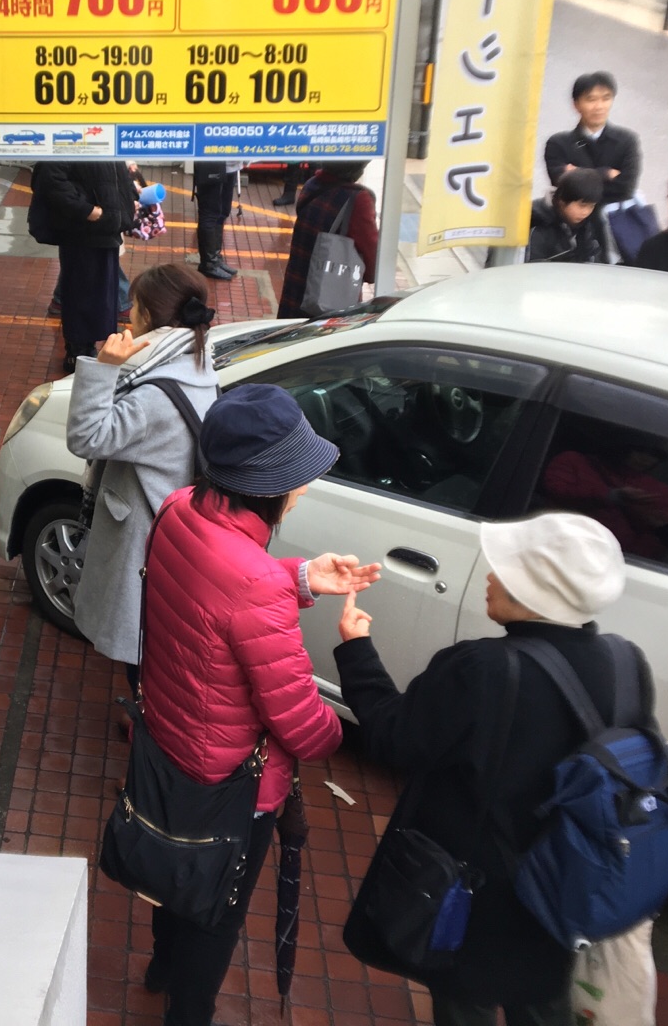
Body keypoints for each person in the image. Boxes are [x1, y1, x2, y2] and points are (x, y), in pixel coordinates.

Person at [335, 512, 650, 1026]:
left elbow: (394, 738)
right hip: (565, 884)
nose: (489, 575)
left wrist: (356, 651)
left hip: (477, 895)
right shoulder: (626, 662)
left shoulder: (483, 667)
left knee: (466, 1000)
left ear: (536, 591)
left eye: (505, 569)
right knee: (543, 1001)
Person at [138, 384, 380, 1026]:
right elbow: (302, 728)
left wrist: (299, 576)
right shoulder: (256, 583)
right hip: (232, 786)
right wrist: (347, 729)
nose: (303, 489)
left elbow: (214, 597)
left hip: (167, 744)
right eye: (297, 476)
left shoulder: (179, 508)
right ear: (269, 487)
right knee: (216, 914)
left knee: (175, 876)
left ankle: (161, 967)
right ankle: (188, 1014)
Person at [65, 263, 221, 686]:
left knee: (143, 645)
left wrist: (103, 368)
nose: (127, 316)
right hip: (172, 531)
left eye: (133, 307)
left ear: (149, 316)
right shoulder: (198, 365)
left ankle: (143, 713)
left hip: (144, 541)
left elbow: (86, 437)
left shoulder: (154, 395)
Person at [29, 161, 137, 372]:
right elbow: (50, 178)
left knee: (101, 296)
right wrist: (88, 210)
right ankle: (78, 352)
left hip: (106, 229)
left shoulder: (105, 144)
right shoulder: (71, 144)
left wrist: (130, 194)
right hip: (83, 232)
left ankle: (88, 347)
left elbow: (110, 175)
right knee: (82, 294)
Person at [277, 161, 378, 318]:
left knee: (290, 331)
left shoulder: (311, 185)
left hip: (296, 286)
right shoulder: (358, 199)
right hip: (328, 296)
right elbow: (372, 253)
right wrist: (371, 274)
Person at [543, 72, 641, 208]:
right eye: (591, 99)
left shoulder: (627, 141)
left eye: (606, 98)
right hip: (571, 220)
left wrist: (577, 173)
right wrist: (605, 173)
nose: (599, 106)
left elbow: (626, 189)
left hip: (614, 219)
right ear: (576, 104)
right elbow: (561, 185)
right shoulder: (558, 143)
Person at [527, 167, 608, 264]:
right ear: (562, 201)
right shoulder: (538, 224)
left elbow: (592, 255)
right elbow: (534, 265)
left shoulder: (585, 224)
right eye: (582, 206)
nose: (586, 212)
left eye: (591, 206)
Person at [191, 161, 242, 280]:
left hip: (231, 165)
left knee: (223, 212)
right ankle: (208, 263)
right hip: (212, 164)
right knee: (210, 213)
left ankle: (215, 258)